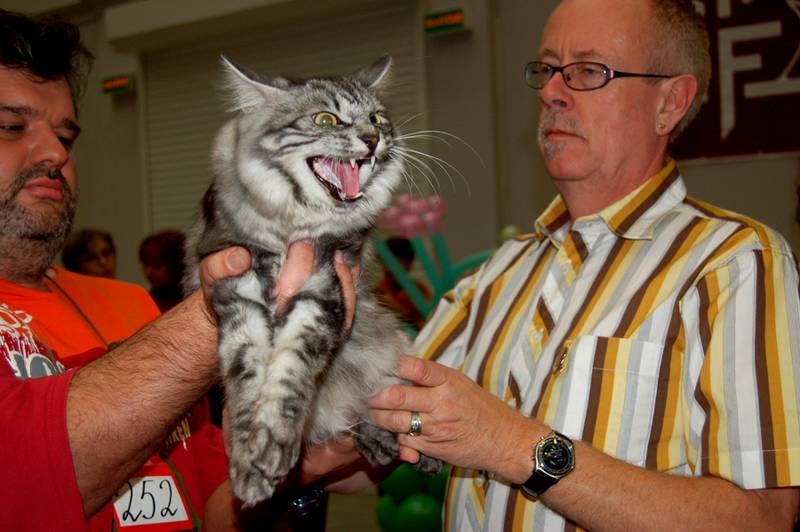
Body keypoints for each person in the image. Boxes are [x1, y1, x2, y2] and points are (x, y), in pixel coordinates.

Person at [359, 0, 800, 530]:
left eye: (589, 71)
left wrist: (509, 443)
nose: (551, 91)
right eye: (547, 68)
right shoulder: (498, 273)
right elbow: (378, 430)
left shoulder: (734, 263)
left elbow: (761, 518)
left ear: (670, 102)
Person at [0, 9, 358, 530]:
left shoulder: (131, 305)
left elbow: (209, 505)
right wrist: (225, 312)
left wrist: (289, 469)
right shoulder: (184, 332)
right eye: (11, 127)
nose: (55, 152)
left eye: (66, 136)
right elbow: (26, 482)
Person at [138, 229, 186, 312]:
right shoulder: (145, 301)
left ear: (175, 266)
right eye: (145, 265)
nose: (148, 272)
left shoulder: (191, 300)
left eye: (156, 265)